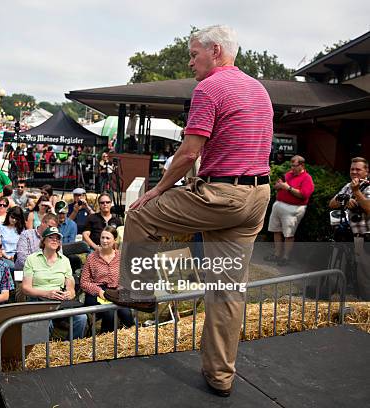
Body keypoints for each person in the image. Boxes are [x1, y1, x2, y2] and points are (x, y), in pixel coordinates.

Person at [105, 25, 273, 398]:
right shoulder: (258, 90)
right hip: (256, 196)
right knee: (226, 292)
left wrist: (158, 190)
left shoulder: (209, 88)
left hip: (222, 196)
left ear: (215, 50)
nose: (190, 61)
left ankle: (138, 292)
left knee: (140, 215)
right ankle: (220, 377)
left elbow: (188, 153)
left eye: (194, 53)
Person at [21, 227, 87, 339]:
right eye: (51, 237)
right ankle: (43, 352)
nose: (54, 240)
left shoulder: (65, 260)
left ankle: (70, 348)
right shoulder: (32, 259)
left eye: (57, 238)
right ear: (43, 241)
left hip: (59, 300)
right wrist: (46, 293)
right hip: (39, 301)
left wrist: (70, 293)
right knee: (46, 324)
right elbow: (25, 288)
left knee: (81, 318)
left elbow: (70, 284)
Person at [328, 157, 370, 299]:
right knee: (339, 273)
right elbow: (332, 204)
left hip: (364, 239)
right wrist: (345, 200)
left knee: (364, 277)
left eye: (358, 169)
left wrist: (357, 192)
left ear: (366, 171)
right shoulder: (347, 186)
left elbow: (369, 209)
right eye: (352, 169)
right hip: (346, 237)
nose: (354, 172)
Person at [80, 226, 134, 333]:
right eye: (102, 237)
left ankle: (130, 338)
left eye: (108, 238)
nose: (104, 241)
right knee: (110, 313)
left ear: (114, 240)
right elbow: (84, 282)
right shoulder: (92, 257)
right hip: (96, 292)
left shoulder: (121, 256)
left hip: (116, 291)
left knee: (126, 313)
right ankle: (105, 340)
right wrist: (99, 291)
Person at [265, 155, 315, 266]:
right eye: (291, 165)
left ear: (301, 165)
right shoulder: (288, 174)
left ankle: (286, 257)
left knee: (288, 234)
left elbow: (304, 195)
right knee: (276, 230)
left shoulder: (307, 178)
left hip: (293, 209)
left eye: (294, 165)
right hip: (279, 205)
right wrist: (278, 186)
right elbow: (278, 186)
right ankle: (277, 254)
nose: (292, 168)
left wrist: (288, 188)